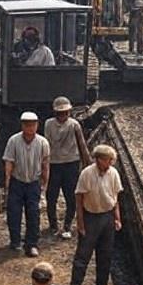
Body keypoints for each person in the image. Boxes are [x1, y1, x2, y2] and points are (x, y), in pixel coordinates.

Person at [70, 144, 123, 285]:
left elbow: (116, 198)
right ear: (99, 159)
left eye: (111, 160)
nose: (110, 163)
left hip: (107, 217)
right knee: (83, 255)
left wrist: (117, 218)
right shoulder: (87, 173)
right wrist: (80, 222)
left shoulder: (113, 173)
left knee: (105, 254)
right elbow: (79, 199)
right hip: (91, 217)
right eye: (108, 160)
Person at [3, 111, 51, 258]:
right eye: (27, 125)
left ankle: (31, 244)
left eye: (33, 125)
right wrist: (7, 182)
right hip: (17, 181)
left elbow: (45, 164)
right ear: (22, 125)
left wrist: (44, 183)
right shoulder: (13, 141)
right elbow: (9, 162)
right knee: (14, 213)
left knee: (33, 214)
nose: (30, 128)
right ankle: (15, 241)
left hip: (33, 183)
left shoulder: (43, 143)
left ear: (37, 125)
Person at [44, 98, 90, 241]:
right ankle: (53, 225)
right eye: (61, 112)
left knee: (71, 196)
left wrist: (88, 163)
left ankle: (67, 225)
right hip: (54, 164)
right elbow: (46, 144)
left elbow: (82, 145)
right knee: (51, 196)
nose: (63, 115)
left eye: (65, 112)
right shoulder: (49, 124)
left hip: (71, 164)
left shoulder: (74, 125)